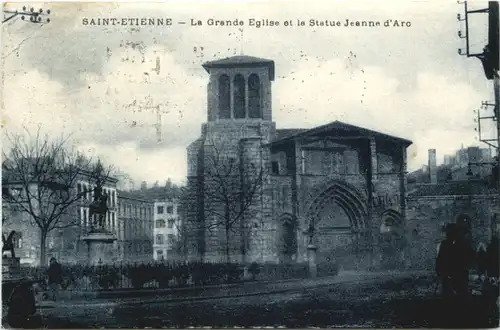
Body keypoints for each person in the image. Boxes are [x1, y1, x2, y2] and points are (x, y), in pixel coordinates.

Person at [436, 223, 474, 298]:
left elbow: (440, 259)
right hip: (452, 275)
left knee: (455, 295)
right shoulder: (449, 244)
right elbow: (440, 259)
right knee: (452, 295)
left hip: (455, 274)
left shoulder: (460, 244)